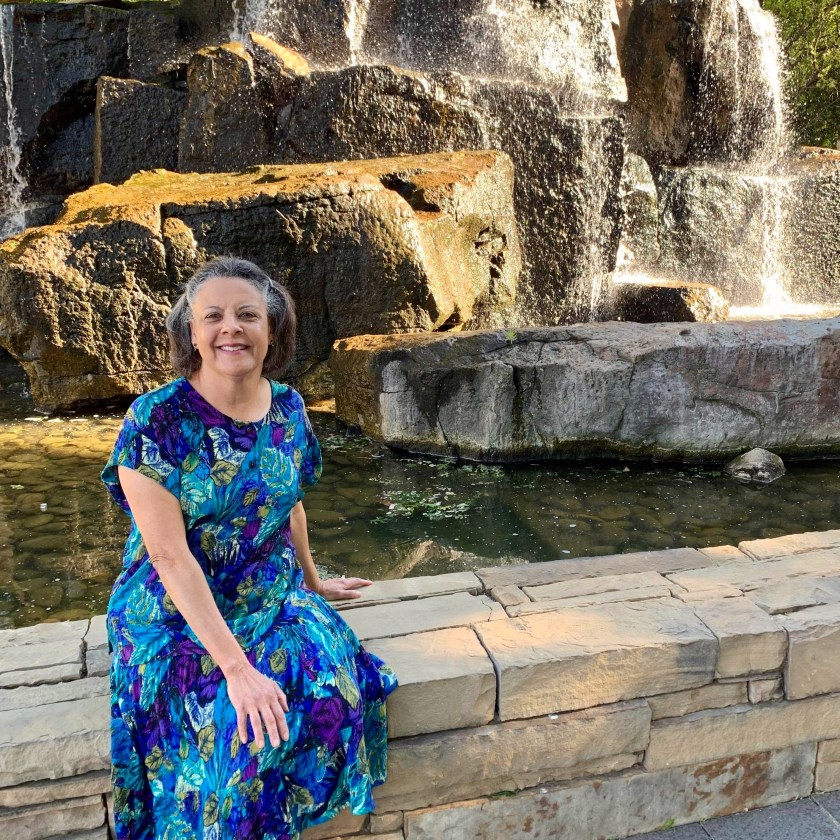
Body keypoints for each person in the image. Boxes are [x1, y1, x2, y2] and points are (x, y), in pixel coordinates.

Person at [101, 256, 397, 840]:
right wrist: (236, 668)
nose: (229, 328)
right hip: (174, 608)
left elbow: (285, 503)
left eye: (247, 315)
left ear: (272, 330)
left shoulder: (288, 409)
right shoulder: (155, 422)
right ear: (191, 332)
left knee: (332, 688)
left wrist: (313, 582)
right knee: (231, 734)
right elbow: (168, 556)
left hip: (269, 590)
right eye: (213, 316)